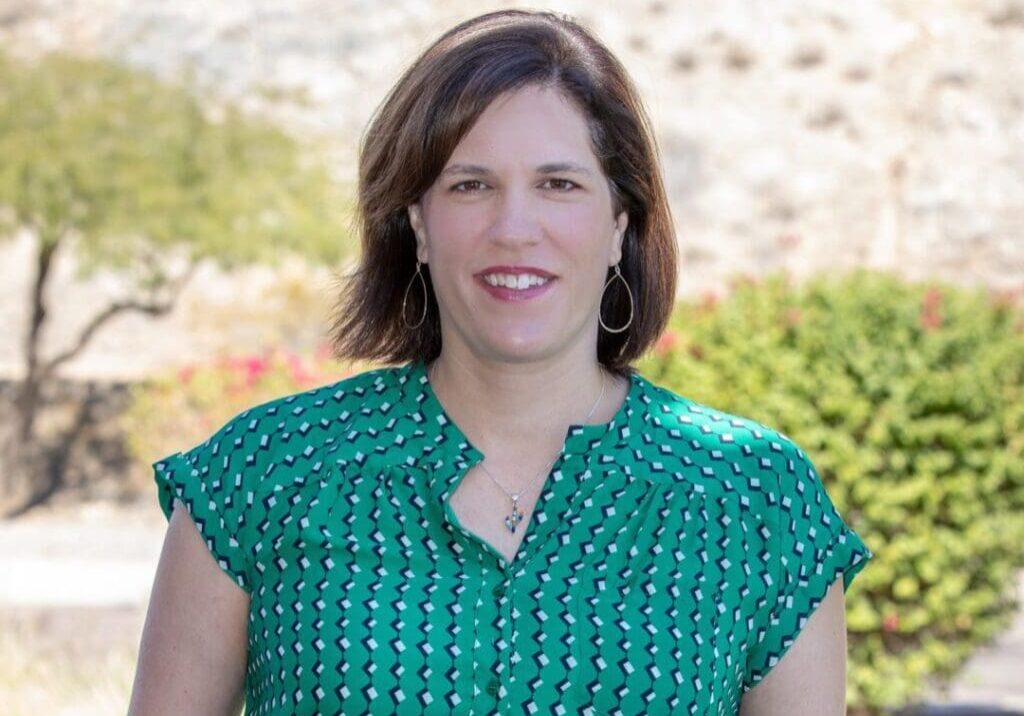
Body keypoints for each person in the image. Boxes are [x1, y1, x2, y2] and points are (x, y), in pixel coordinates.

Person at [128, 9, 874, 716]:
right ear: (417, 222)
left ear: (620, 223)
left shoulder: (754, 500)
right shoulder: (260, 476)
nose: (515, 228)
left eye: (559, 184)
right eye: (470, 185)